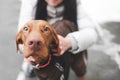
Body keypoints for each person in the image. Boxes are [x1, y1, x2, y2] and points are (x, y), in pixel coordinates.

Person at [16, 0, 103, 80]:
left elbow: (92, 33)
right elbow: (22, 32)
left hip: (68, 39)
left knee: (79, 66)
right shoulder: (30, 2)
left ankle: (81, 75)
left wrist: (70, 42)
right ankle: (33, 65)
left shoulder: (76, 3)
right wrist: (24, 49)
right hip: (41, 45)